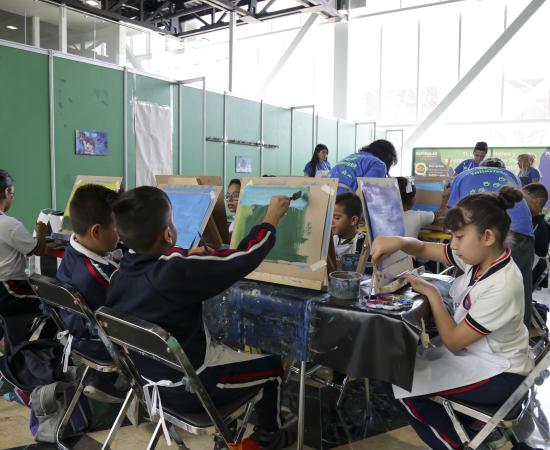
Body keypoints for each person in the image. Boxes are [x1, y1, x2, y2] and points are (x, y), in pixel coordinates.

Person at [107, 186, 295, 449]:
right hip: (195, 389)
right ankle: (269, 437)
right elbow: (244, 257)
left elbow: (165, 268)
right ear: (168, 233)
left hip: (151, 388)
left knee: (225, 348)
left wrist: (185, 257)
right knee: (273, 367)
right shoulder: (173, 272)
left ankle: (228, 434)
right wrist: (271, 218)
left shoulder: (118, 276)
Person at [371, 187, 533, 450]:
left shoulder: (502, 284)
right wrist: (399, 241)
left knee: (399, 384)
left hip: (501, 373)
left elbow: (454, 341)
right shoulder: (481, 258)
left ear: (487, 236)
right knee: (402, 363)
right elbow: (423, 247)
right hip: (479, 355)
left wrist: (433, 293)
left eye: (458, 237)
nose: (453, 245)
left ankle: (457, 444)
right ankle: (470, 429)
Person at [56, 184, 126, 403]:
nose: (122, 233)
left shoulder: (72, 253)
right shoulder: (96, 276)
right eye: (118, 227)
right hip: (103, 345)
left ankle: (98, 380)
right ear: (96, 231)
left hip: (80, 337)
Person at [447, 164, 534, 326]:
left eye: (458, 237)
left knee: (473, 283)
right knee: (520, 287)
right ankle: (521, 330)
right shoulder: (510, 174)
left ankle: (467, 323)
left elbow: (454, 215)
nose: (454, 244)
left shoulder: (462, 176)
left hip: (486, 227)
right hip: (520, 230)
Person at [0, 170, 48, 318]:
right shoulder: (9, 224)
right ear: (7, 191)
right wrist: (41, 234)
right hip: (9, 290)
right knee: (52, 302)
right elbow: (38, 251)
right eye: (13, 193)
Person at [330, 140, 397, 194]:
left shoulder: (354, 156)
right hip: (342, 201)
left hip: (326, 194)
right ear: (389, 158)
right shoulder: (379, 165)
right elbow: (364, 194)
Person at [522, 183, 550, 287]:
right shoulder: (538, 223)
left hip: (530, 273)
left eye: (524, 199)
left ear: (537, 202)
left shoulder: (536, 225)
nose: (520, 202)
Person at [331, 193, 365, 260]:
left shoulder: (362, 244)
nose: (331, 222)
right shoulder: (330, 239)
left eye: (337, 218)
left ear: (353, 220)